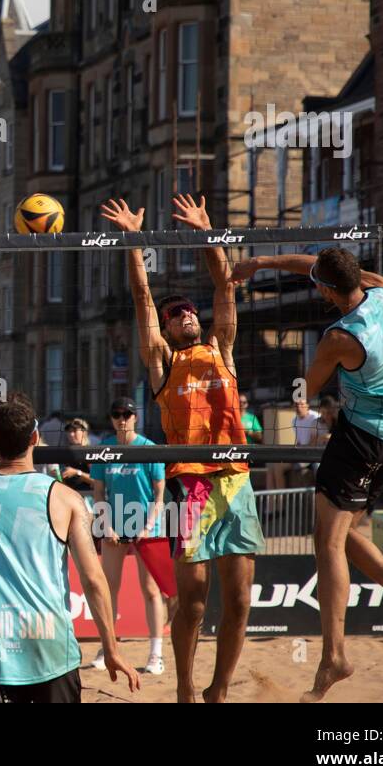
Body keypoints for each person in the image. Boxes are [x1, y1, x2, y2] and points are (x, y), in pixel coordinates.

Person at [233, 246, 383, 701]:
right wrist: (261, 264)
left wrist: (301, 391)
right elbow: (316, 266)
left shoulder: (340, 337)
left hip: (365, 436)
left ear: (326, 290)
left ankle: (334, 656)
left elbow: (311, 383)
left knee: (324, 539)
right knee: (342, 534)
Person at [102, 193, 265, 703]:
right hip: (189, 483)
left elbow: (224, 285)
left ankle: (217, 689)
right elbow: (141, 299)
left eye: (188, 311)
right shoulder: (163, 364)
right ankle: (185, 687)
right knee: (192, 602)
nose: (185, 315)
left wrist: (207, 230)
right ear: (168, 330)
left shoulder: (222, 350)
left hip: (234, 477)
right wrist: (133, 241)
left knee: (238, 601)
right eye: (176, 315)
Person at [0, 393, 141, 703]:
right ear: (35, 437)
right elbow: (93, 580)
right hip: (51, 650)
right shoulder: (66, 498)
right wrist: (111, 648)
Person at [88, 397, 173, 676]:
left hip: (147, 524)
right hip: (114, 524)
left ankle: (156, 654)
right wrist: (107, 525)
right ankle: (107, 648)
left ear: (135, 417)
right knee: (108, 589)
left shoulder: (148, 449)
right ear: (111, 418)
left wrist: (147, 526)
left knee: (151, 591)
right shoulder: (104, 450)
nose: (122, 418)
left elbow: (159, 495)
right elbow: (99, 493)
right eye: (117, 414)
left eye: (127, 414)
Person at [268, 398, 325, 490]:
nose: (299, 407)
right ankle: (274, 502)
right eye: (296, 405)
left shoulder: (315, 418)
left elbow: (314, 441)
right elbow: (299, 441)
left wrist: (302, 452)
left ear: (307, 406)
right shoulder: (294, 420)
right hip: (301, 454)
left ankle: (282, 499)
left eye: (302, 404)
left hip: (312, 455)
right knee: (272, 468)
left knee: (280, 468)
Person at [58, 418, 96, 495]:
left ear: (84, 432)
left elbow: (96, 481)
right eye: (69, 431)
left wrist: (77, 473)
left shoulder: (89, 452)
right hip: (70, 495)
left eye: (75, 431)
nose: (71, 434)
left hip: (88, 497)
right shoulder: (67, 452)